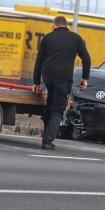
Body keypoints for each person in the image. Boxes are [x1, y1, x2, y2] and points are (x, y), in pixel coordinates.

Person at [33, 16, 91, 150]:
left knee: (50, 105)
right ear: (66, 25)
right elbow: (86, 59)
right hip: (64, 79)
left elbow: (39, 60)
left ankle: (46, 135)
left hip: (47, 76)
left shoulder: (47, 38)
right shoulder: (76, 38)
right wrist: (84, 78)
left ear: (54, 25)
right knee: (58, 110)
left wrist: (36, 82)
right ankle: (47, 141)